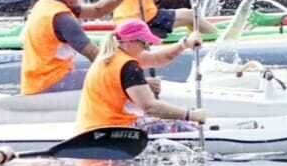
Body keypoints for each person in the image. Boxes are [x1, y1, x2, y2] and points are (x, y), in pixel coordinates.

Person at [10, 0, 144, 95]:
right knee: (116, 78)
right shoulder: (62, 18)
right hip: (50, 84)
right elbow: (96, 56)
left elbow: (97, 10)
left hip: (37, 81)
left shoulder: (49, 1)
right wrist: (134, 78)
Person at [74, 18, 208, 133]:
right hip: (116, 129)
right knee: (189, 127)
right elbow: (150, 107)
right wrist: (190, 115)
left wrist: (184, 44)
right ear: (131, 41)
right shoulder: (128, 65)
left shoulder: (110, 56)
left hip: (91, 127)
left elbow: (157, 58)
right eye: (145, 43)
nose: (147, 48)